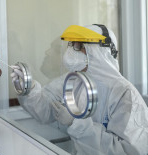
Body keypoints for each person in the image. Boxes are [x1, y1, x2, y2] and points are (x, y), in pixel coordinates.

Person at [11, 24, 148, 154]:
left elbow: (129, 151)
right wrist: (28, 89)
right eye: (72, 45)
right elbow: (45, 109)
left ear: (100, 51)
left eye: (80, 46)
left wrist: (76, 123)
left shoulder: (124, 94)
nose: (71, 51)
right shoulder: (73, 81)